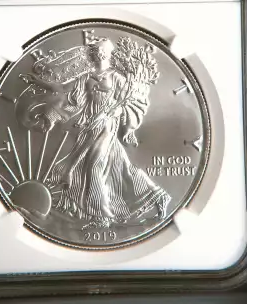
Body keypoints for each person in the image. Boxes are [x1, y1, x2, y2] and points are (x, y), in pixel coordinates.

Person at [32, 37, 172, 229]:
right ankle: (158, 196)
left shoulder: (117, 78)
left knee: (94, 166)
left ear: (107, 53)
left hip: (107, 125)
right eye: (94, 51)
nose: (97, 54)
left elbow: (132, 100)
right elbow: (68, 95)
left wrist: (118, 111)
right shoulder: (86, 77)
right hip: (90, 126)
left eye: (100, 51)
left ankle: (102, 216)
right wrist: (42, 85)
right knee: (120, 169)